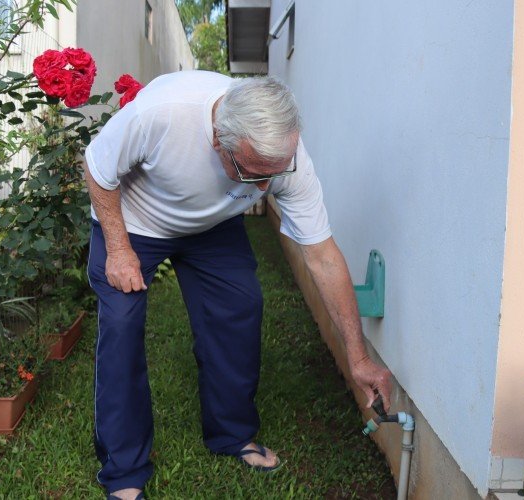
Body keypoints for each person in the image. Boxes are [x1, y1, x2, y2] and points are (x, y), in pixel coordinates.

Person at [84, 70, 394, 500]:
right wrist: (118, 249)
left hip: (213, 227)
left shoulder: (285, 157)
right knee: (121, 326)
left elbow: (322, 256)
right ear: (218, 142)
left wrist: (358, 356)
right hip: (135, 221)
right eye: (253, 174)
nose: (266, 187)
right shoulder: (162, 114)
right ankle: (123, 471)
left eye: (275, 173)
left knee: (240, 307)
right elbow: (98, 168)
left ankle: (231, 433)